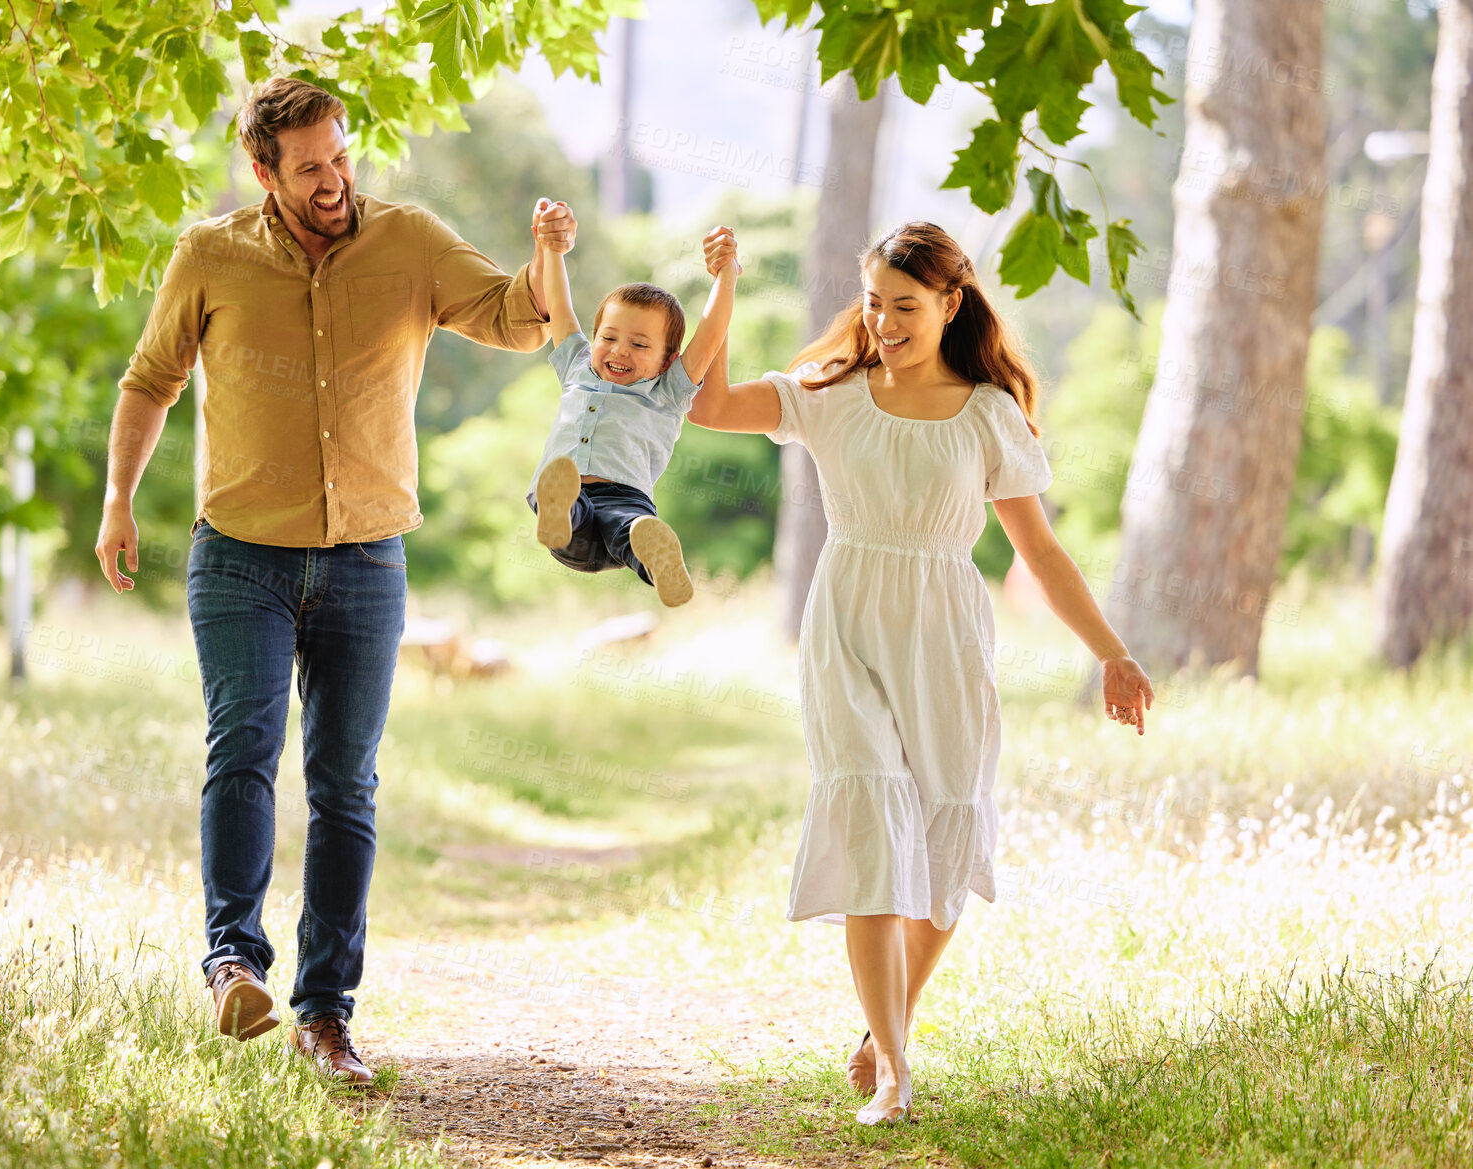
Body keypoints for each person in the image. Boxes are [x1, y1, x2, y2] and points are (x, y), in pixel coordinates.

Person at [94, 77, 576, 1085]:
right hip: (240, 556)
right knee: (243, 750)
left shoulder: (408, 241)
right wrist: (117, 502)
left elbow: (518, 322)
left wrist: (548, 259)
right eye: (308, 166)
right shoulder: (210, 255)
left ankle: (326, 1012)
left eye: (341, 156)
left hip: (366, 558)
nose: (333, 180)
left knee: (346, 784)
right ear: (263, 172)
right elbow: (151, 380)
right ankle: (232, 959)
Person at [686, 222, 1155, 1125]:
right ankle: (895, 1068)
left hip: (944, 630)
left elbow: (1042, 551)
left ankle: (881, 1023)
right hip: (848, 619)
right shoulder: (830, 392)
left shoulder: (988, 413)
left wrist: (1111, 651)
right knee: (869, 819)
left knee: (943, 839)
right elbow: (708, 406)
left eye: (905, 305)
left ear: (949, 303)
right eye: (873, 303)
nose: (885, 321)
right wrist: (726, 287)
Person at [525, 212, 740, 607]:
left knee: (629, 530)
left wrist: (726, 276)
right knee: (566, 510)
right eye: (609, 337)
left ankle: (658, 560)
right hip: (568, 498)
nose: (621, 350)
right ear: (593, 338)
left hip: (626, 498)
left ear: (667, 360)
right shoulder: (578, 365)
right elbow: (559, 304)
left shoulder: (668, 390)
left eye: (640, 345)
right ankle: (559, 511)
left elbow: (709, 335)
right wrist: (551, 249)